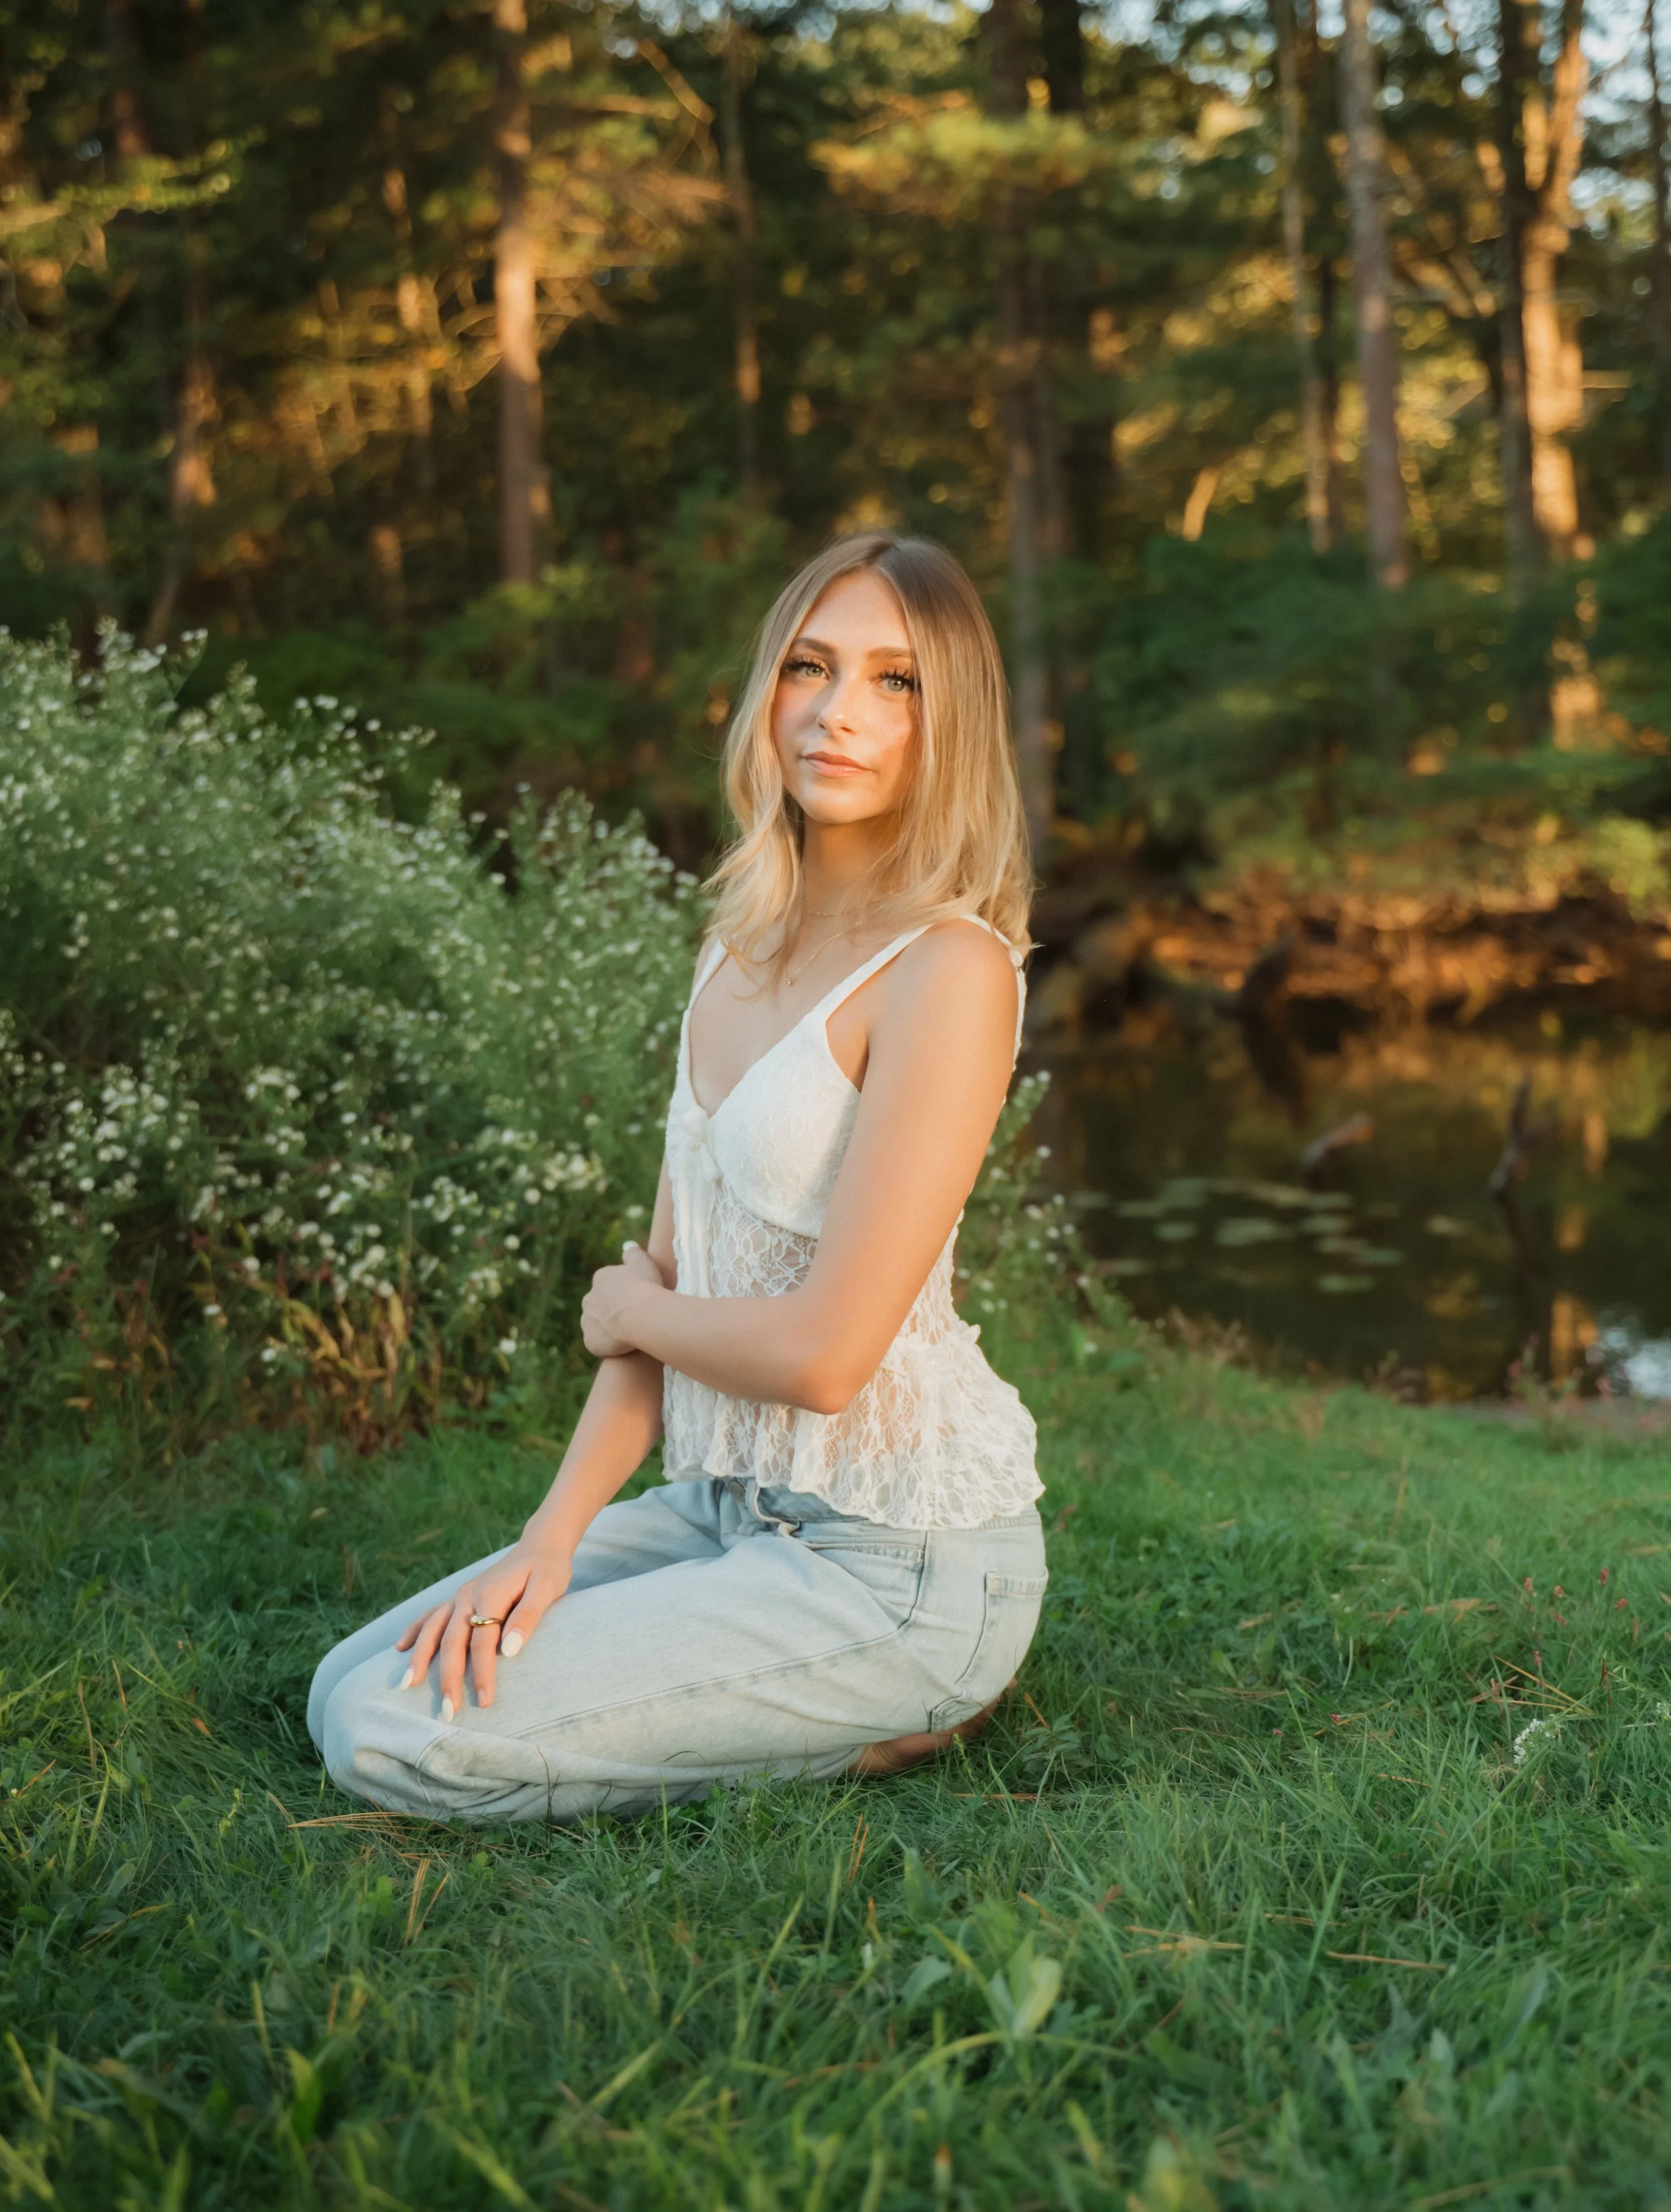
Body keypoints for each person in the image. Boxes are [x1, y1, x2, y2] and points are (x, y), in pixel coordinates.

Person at [307, 531, 1048, 1822]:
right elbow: (667, 1277)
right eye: (811, 666)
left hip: (897, 1561)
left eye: (896, 680)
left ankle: (903, 1702)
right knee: (345, 1679)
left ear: (951, 721)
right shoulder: (740, 942)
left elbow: (824, 1354)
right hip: (722, 1510)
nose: (836, 711)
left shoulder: (951, 971)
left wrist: (633, 1312)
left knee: (389, 1734)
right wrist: (552, 1540)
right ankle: (765, 1682)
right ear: (767, 688)